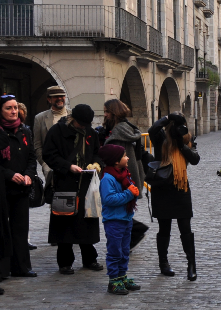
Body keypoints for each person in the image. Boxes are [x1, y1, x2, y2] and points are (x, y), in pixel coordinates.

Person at [42, 104, 104, 274]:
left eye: (86, 125)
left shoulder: (91, 133)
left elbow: (98, 153)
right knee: (64, 222)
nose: (83, 127)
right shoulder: (57, 131)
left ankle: (90, 259)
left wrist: (97, 164)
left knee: (87, 222)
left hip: (86, 184)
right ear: (73, 119)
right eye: (81, 124)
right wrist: (68, 166)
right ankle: (65, 262)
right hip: (65, 182)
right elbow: (48, 154)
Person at [148, 113, 200, 280]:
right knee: (164, 229)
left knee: (185, 228)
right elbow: (152, 129)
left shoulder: (186, 139)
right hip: (163, 189)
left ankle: (191, 265)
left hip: (181, 189)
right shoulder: (160, 139)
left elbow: (195, 159)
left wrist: (181, 144)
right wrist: (167, 117)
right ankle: (163, 263)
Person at [98, 99, 148, 249]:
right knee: (121, 209)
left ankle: (132, 234)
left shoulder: (120, 131)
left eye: (107, 112)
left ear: (114, 113)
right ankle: (130, 236)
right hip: (127, 175)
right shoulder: (126, 128)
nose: (105, 115)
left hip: (121, 176)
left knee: (117, 209)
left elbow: (118, 159)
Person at [0, 95, 37, 277]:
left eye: (15, 107)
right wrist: (9, 174)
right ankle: (4, 268)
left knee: (20, 228)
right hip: (3, 188)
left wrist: (29, 175)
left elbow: (32, 156)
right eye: (8, 108)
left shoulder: (25, 131)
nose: (13, 111)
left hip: (21, 187)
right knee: (3, 230)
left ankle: (21, 267)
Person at [98, 144, 141, 295]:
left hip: (126, 218)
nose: (127, 157)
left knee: (124, 251)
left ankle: (122, 276)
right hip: (114, 221)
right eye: (124, 156)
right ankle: (113, 280)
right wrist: (129, 194)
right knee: (115, 251)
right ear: (116, 161)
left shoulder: (124, 174)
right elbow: (108, 199)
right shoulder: (107, 179)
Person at [33, 86, 69, 187]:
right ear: (49, 99)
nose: (60, 98)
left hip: (71, 163)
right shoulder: (40, 118)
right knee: (53, 195)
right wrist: (45, 164)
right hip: (51, 164)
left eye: (62, 96)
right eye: (56, 97)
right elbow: (37, 144)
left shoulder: (73, 115)